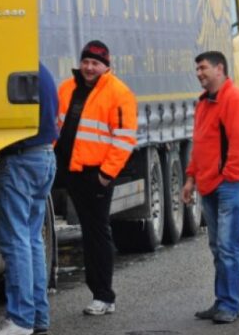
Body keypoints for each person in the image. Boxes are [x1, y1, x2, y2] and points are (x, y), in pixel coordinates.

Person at [56, 40, 137, 316]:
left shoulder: (119, 93)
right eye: (86, 61)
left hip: (96, 175)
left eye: (96, 63)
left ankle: (104, 296)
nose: (89, 67)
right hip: (69, 171)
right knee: (90, 233)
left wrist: (105, 175)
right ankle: (101, 295)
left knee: (96, 234)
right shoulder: (66, 89)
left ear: (106, 66)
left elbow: (125, 138)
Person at [182, 51, 239, 325]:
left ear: (219, 69)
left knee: (228, 246)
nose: (199, 73)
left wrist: (229, 180)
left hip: (231, 184)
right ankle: (221, 300)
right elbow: (200, 145)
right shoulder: (204, 103)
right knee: (218, 246)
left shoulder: (234, 100)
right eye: (197, 69)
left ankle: (229, 305)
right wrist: (191, 178)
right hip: (210, 183)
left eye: (203, 68)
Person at [0, 63, 59, 335]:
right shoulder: (43, 70)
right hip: (45, 156)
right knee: (32, 240)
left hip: (21, 160)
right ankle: (38, 317)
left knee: (16, 240)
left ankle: (20, 319)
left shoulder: (16, 66)